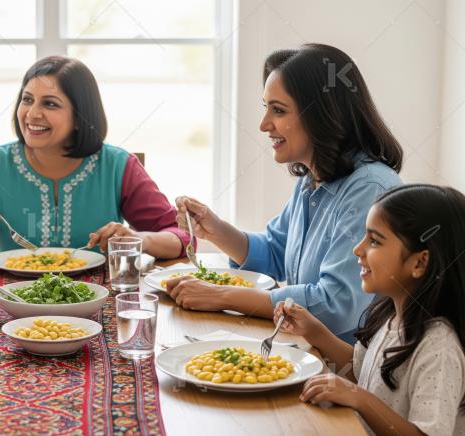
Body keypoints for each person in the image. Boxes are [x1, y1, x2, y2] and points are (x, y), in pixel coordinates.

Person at [169, 44, 403, 343]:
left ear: (322, 114)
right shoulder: (312, 180)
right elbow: (275, 255)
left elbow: (335, 304)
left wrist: (222, 296)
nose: (264, 124)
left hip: (344, 372)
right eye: (265, 107)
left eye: (278, 110)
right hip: (304, 349)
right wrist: (216, 230)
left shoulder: (369, 189)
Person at [0, 56, 188, 259]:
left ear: (80, 117)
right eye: (27, 100)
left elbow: (182, 238)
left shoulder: (119, 166)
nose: (31, 114)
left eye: (50, 103)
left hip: (101, 302)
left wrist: (137, 238)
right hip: (14, 301)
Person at [276, 184, 464, 435]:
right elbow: (359, 370)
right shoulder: (388, 316)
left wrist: (359, 398)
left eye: (374, 241)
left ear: (420, 262)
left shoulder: (439, 347)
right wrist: (314, 332)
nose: (358, 249)